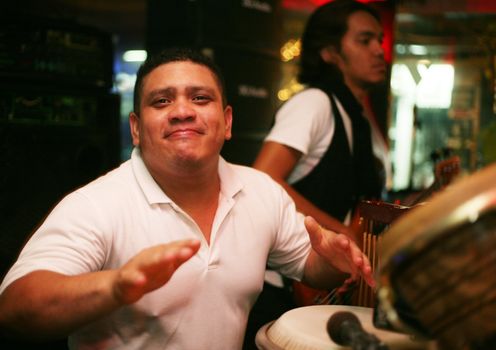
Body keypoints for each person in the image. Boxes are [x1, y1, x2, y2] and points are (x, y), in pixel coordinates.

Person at [0, 47, 374, 350]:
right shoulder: (97, 204)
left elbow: (310, 268)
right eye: (161, 101)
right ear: (135, 128)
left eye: (200, 98)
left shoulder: (260, 191)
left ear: (227, 122)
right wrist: (116, 287)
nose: (182, 111)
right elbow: (15, 309)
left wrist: (334, 261)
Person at [248, 0, 390, 335]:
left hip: (322, 285)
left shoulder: (357, 114)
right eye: (364, 40)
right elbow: (263, 177)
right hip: (285, 287)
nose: (378, 50)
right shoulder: (314, 103)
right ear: (329, 53)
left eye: (379, 40)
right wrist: (342, 233)